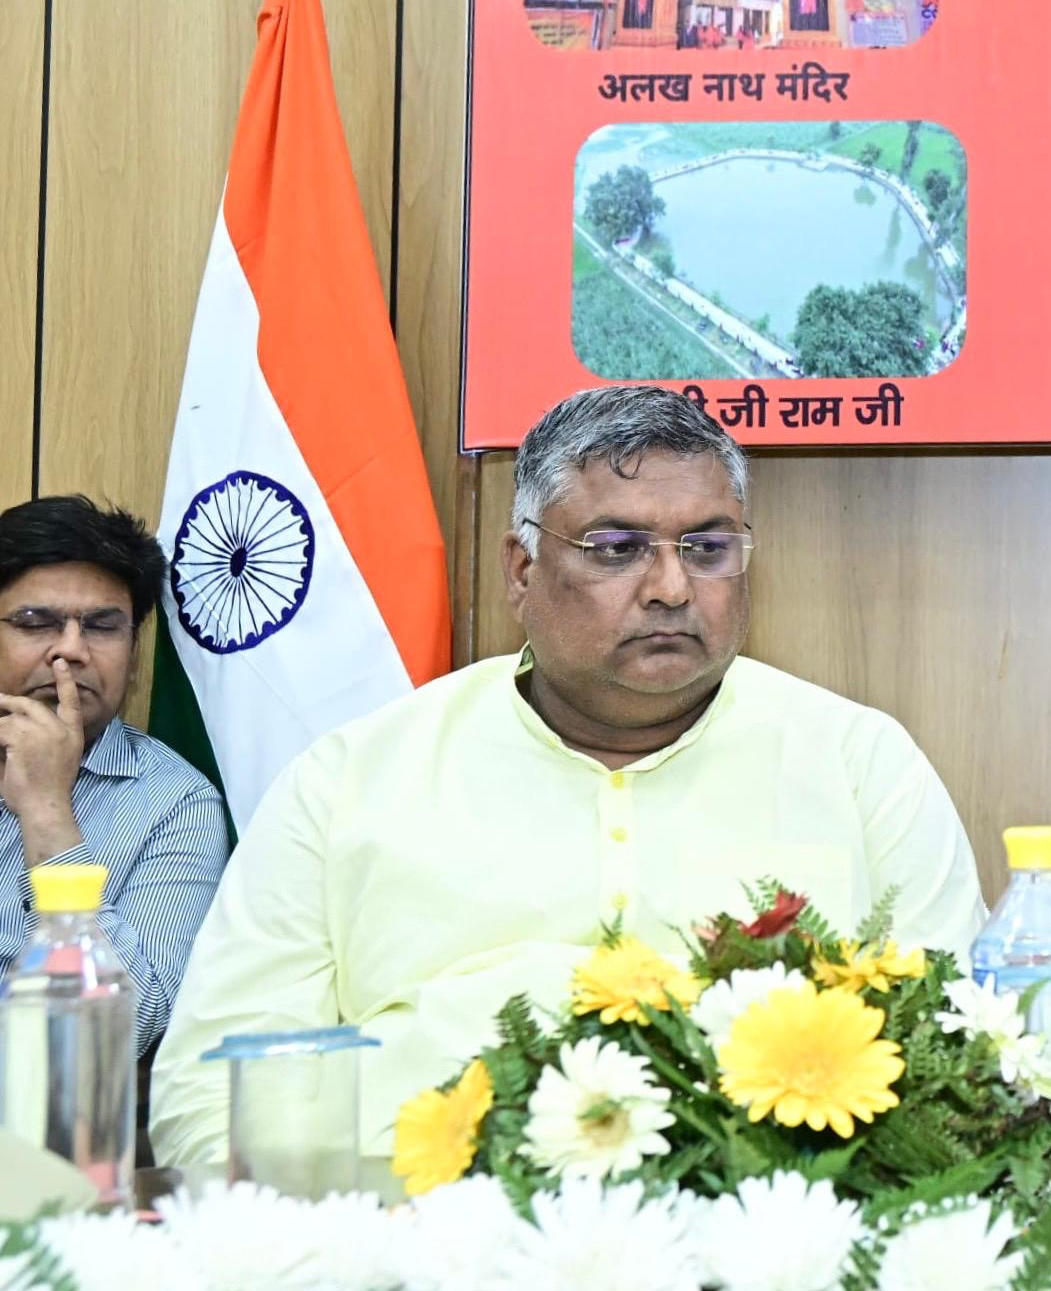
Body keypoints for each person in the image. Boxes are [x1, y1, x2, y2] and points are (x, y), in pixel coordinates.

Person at [153, 386, 985, 1169]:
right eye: (616, 550)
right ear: (522, 571)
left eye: (707, 549)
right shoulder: (351, 779)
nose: (670, 589)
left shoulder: (857, 764)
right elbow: (209, 1089)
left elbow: (966, 1062)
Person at [0, 498, 226, 1057]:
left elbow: (132, 1024)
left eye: (102, 627)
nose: (71, 650)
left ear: (133, 647)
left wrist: (48, 813)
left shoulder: (176, 803)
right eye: (35, 623)